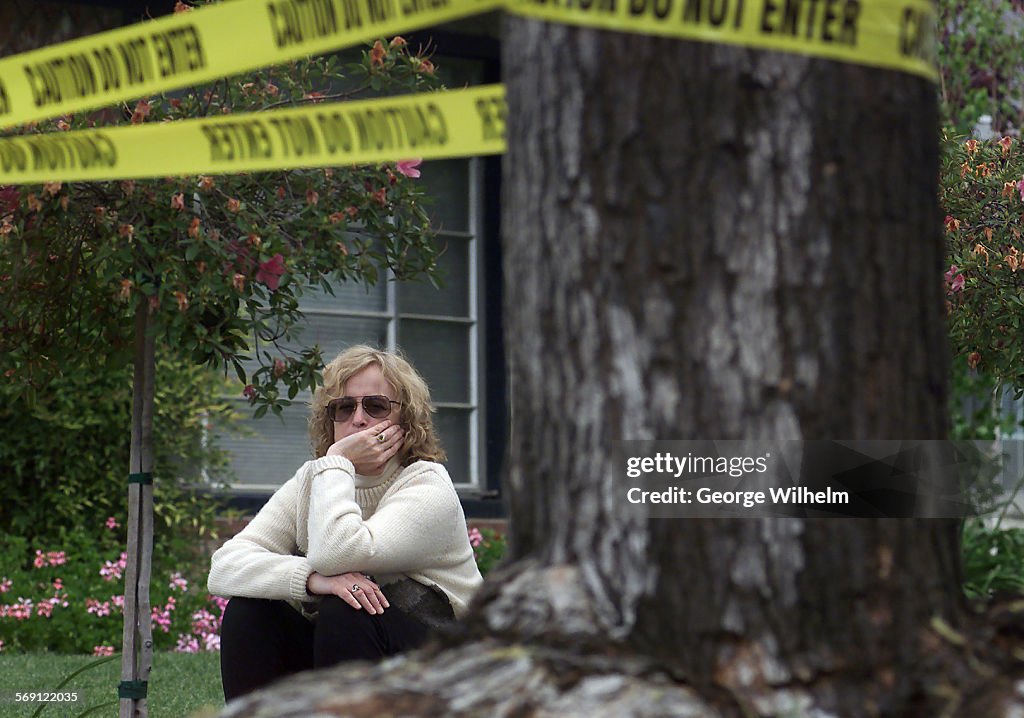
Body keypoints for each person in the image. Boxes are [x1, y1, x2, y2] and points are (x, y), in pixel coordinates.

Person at [208, 344, 483, 700]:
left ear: (406, 418)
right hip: (354, 658)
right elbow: (225, 566)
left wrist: (337, 460)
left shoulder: (427, 483)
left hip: (448, 674)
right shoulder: (316, 480)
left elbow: (339, 551)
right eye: (343, 407)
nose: (358, 419)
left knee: (348, 607)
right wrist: (312, 579)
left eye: (376, 406)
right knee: (248, 612)